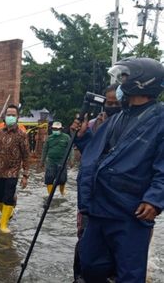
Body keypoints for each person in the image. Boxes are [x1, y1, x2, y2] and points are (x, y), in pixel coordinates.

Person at [73, 58, 164, 282]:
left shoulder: (159, 120)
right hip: (99, 207)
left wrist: (154, 199)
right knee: (90, 264)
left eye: (125, 78)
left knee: (129, 273)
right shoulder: (118, 118)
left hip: (130, 211)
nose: (121, 83)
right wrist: (83, 138)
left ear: (142, 82)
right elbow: (98, 156)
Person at [72, 83, 121, 283]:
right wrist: (82, 136)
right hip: (90, 198)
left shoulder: (131, 125)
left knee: (114, 250)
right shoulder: (96, 124)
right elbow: (92, 157)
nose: (112, 106)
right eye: (108, 102)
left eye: (116, 103)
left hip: (116, 201)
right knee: (84, 244)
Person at [0, 104, 29, 233]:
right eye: (9, 115)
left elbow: (26, 156)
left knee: (8, 197)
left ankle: (3, 224)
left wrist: (25, 175)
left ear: (18, 117)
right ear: (4, 116)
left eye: (13, 115)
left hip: (12, 172)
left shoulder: (22, 135)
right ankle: (7, 214)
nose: (11, 117)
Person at [40, 121, 71, 196]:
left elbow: (70, 149)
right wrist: (42, 162)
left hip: (62, 161)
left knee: (62, 179)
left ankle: (62, 193)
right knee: (49, 179)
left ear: (61, 129)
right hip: (51, 161)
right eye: (54, 129)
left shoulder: (66, 137)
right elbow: (44, 150)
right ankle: (50, 195)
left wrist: (71, 159)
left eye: (57, 129)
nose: (55, 130)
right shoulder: (49, 138)